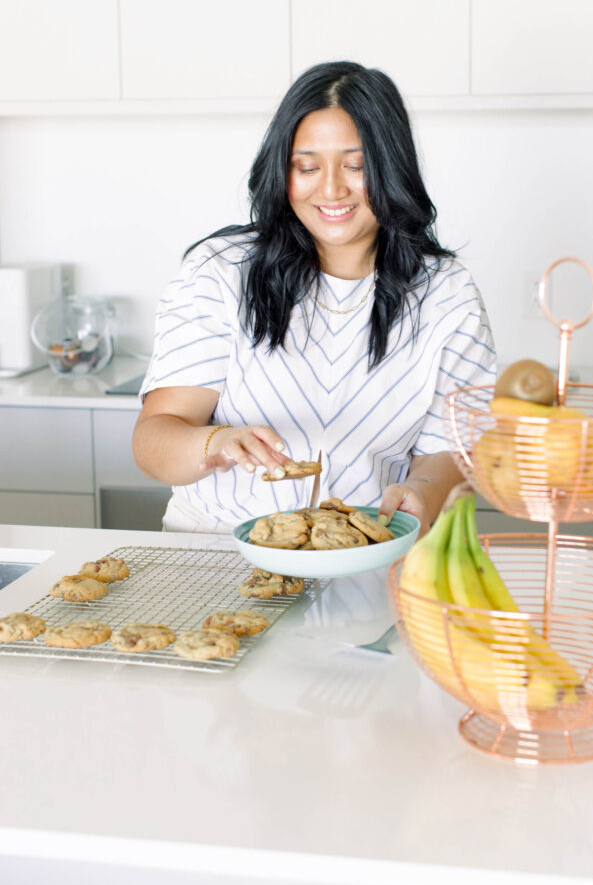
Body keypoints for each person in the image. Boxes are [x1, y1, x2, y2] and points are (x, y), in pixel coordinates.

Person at [132, 60, 496, 537]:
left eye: (356, 166)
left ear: (391, 168)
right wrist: (217, 442)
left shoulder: (446, 292)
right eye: (306, 166)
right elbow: (155, 436)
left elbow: (451, 448)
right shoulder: (221, 271)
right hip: (216, 546)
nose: (331, 189)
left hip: (366, 545)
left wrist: (423, 493)